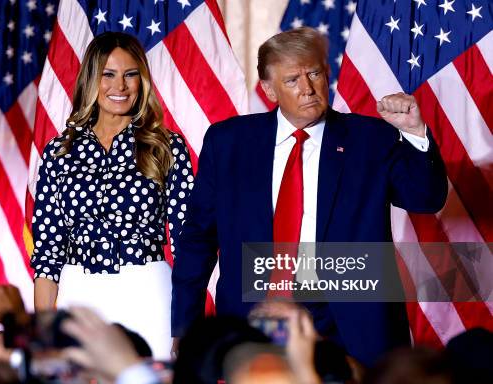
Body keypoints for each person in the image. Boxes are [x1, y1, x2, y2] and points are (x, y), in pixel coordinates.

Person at [171, 27, 447, 366]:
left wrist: (415, 133)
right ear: (269, 90)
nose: (307, 89)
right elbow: (198, 237)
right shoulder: (229, 142)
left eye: (314, 73)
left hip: (353, 321)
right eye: (292, 80)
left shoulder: (371, 138)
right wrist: (185, 326)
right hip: (256, 315)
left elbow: (425, 199)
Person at [31, 31, 194, 359]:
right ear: (92, 79)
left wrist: (184, 325)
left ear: (142, 81)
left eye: (130, 74)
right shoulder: (60, 151)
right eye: (108, 74)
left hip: (148, 290)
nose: (120, 86)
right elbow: (48, 254)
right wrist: (43, 331)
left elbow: (188, 242)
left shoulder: (165, 146)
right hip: (78, 292)